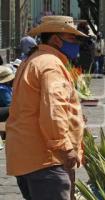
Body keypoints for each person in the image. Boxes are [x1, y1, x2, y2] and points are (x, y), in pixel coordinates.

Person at [5, 16, 86, 200]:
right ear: (56, 39)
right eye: (73, 38)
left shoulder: (33, 60)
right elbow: (53, 111)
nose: (77, 44)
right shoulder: (51, 64)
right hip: (46, 159)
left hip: (26, 155)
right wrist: (66, 148)